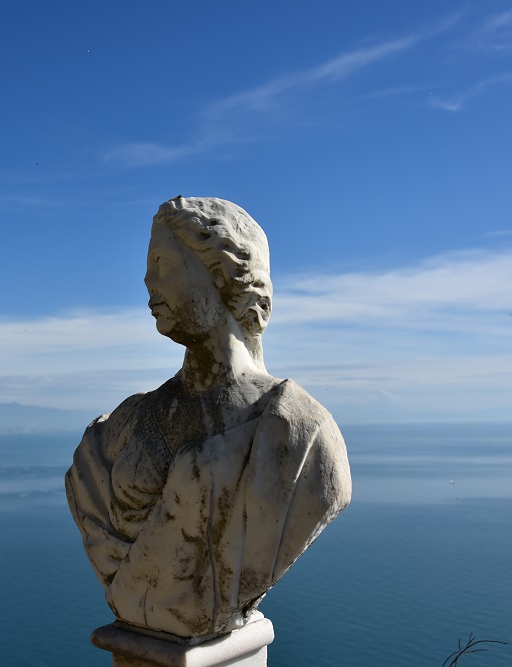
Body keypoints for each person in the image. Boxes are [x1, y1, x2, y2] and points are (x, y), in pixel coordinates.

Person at [66, 196, 351, 638]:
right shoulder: (119, 428)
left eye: (162, 262)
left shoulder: (298, 435)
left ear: (222, 273)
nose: (147, 282)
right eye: (147, 266)